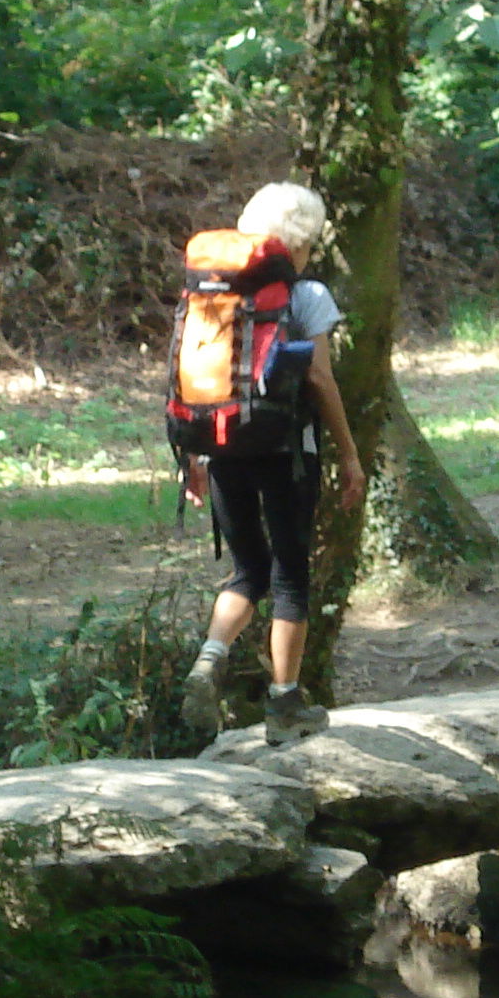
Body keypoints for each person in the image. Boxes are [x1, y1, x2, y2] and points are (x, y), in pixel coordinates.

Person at [178, 182, 367, 743]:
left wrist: (193, 456)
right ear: (304, 241)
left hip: (221, 447)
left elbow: (195, 382)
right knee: (289, 578)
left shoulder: (211, 297)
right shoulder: (306, 295)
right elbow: (318, 377)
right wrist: (350, 455)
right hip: (287, 453)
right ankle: (285, 706)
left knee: (247, 571)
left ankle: (209, 659)